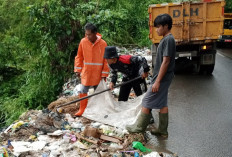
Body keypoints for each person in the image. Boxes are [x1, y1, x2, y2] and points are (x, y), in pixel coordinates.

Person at [126, 13, 176, 138]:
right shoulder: (166, 39)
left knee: (147, 100)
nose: (157, 29)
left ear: (165, 26)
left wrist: (157, 81)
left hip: (162, 78)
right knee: (163, 103)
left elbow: (166, 61)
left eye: (158, 26)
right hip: (163, 76)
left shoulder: (169, 40)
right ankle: (163, 130)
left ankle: (138, 128)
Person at [74, 23, 109, 116]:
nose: (87, 36)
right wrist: (78, 69)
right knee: (83, 90)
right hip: (87, 72)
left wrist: (104, 74)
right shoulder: (83, 42)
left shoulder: (103, 44)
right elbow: (79, 56)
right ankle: (82, 109)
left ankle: (98, 110)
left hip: (98, 73)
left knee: (99, 92)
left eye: (89, 34)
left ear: (95, 33)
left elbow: (106, 61)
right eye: (86, 34)